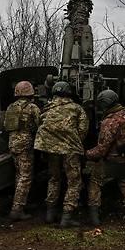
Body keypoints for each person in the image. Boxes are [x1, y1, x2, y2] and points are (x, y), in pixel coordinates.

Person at [86, 89, 125, 226]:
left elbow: (102, 150)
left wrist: (87, 154)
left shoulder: (108, 122)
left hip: (112, 164)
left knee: (95, 181)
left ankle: (94, 218)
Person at [34, 81, 89, 227]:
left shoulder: (46, 108)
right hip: (70, 149)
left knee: (53, 178)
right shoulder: (77, 109)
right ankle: (67, 217)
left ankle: (50, 214)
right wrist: (74, 142)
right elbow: (83, 130)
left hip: (51, 149)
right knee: (74, 182)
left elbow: (40, 125)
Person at [3, 80, 41, 221]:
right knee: (25, 177)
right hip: (25, 144)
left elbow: (6, 125)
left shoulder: (10, 107)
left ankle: (21, 204)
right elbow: (40, 125)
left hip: (12, 143)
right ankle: (17, 210)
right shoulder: (32, 108)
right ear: (30, 93)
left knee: (19, 175)